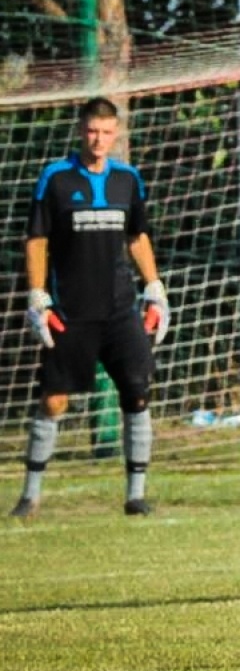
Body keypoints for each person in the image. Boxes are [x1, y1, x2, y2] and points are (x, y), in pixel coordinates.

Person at [11, 97, 170, 519]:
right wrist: (37, 294)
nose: (97, 139)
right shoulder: (56, 178)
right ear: (80, 131)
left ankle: (136, 496)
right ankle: (30, 496)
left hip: (120, 309)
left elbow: (137, 237)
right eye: (91, 131)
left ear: (115, 133)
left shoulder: (128, 179)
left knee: (137, 392)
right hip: (72, 310)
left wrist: (154, 286)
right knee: (55, 401)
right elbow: (37, 240)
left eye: (105, 131)